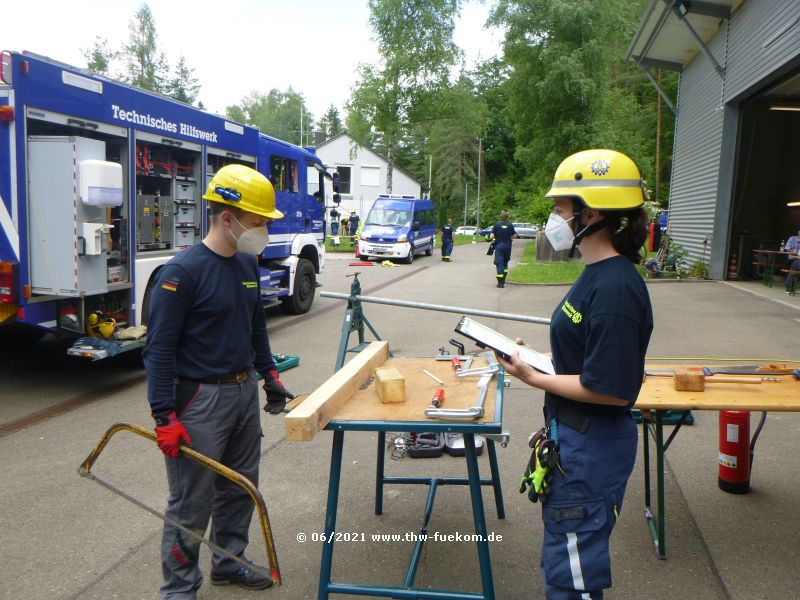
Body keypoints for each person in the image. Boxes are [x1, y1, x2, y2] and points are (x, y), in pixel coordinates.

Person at [495, 149, 653, 599]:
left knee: (573, 581)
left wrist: (535, 378)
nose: (554, 218)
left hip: (592, 449)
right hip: (575, 439)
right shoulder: (595, 273)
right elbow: (587, 355)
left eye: (560, 209)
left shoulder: (618, 289)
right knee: (564, 563)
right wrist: (539, 358)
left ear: (593, 212)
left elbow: (610, 389)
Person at [144, 164, 295, 599]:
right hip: (199, 401)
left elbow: (256, 329)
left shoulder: (246, 264)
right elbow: (158, 351)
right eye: (258, 221)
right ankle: (179, 589)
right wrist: (163, 416)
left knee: (240, 487)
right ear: (226, 217)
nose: (263, 229)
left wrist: (269, 377)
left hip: (244, 392)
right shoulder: (183, 273)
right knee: (191, 502)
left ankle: (228, 563)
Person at [489, 211, 517, 287]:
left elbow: (491, 236)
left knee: (499, 262)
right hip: (508, 246)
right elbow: (514, 235)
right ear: (507, 217)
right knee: (505, 262)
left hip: (499, 246)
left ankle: (500, 283)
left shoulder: (496, 225)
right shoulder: (510, 225)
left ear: (500, 217)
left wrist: (491, 237)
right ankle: (504, 279)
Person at [784, 228, 800, 292]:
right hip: (791, 258)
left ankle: (789, 286)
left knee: (794, 266)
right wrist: (795, 252)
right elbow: (787, 249)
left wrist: (797, 254)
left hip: (797, 261)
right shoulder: (792, 238)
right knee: (793, 265)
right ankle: (790, 286)